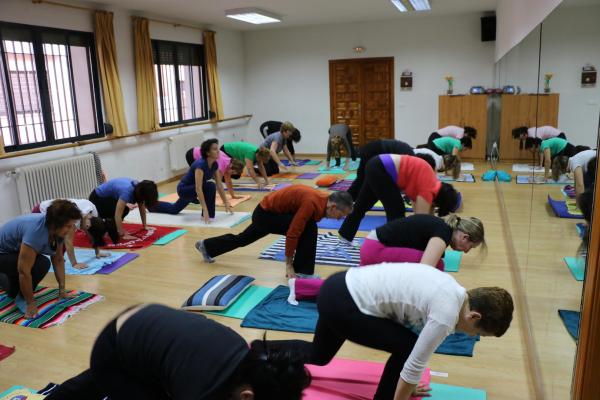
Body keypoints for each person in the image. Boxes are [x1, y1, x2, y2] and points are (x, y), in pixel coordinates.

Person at [269, 264, 514, 400]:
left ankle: (264, 350)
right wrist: (401, 393)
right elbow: (414, 364)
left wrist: (404, 387)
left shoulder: (453, 288)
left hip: (337, 287)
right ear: (474, 316)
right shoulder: (446, 315)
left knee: (320, 356)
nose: (472, 336)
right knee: (407, 346)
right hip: (344, 303)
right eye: (478, 333)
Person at [45, 303, 311, 400]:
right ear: (246, 396)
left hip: (143, 322)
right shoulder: (201, 390)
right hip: (115, 349)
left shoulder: (245, 353)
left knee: (95, 382)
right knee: (108, 380)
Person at [196, 186, 353, 278]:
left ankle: (207, 246)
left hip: (268, 213)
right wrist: (288, 265)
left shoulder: (322, 200)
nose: (340, 219)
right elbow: (293, 233)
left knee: (243, 239)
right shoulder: (312, 203)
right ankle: (302, 272)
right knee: (308, 228)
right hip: (265, 215)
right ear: (333, 207)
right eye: (342, 215)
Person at [339, 154, 459, 242]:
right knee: (396, 211)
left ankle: (344, 235)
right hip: (382, 169)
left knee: (362, 204)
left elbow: (424, 216)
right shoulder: (428, 190)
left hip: (376, 163)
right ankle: (391, 245)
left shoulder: (432, 182)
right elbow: (421, 221)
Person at [0, 200, 81, 319]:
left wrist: (62, 291)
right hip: (3, 254)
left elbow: (58, 259)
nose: (72, 229)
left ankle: (6, 280)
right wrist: (30, 302)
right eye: (68, 226)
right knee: (41, 264)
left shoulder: (57, 231)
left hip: (14, 252)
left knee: (13, 292)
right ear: (55, 224)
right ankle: (21, 294)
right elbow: (24, 271)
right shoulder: (36, 232)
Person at [152, 139, 232, 223]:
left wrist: (226, 202)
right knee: (210, 186)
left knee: (174, 209)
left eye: (218, 148)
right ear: (208, 153)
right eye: (215, 149)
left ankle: (152, 205)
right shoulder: (200, 165)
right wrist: (205, 209)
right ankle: (206, 215)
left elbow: (219, 184)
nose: (218, 151)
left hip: (193, 190)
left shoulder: (215, 164)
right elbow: (198, 188)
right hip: (184, 189)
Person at [360, 214, 485, 267]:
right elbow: (425, 269)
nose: (467, 252)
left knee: (436, 263)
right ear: (465, 237)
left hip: (372, 247)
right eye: (471, 247)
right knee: (437, 266)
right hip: (375, 250)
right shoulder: (443, 233)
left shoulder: (443, 227)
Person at [33, 198, 119, 269]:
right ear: (88, 225)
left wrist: (98, 252)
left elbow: (93, 235)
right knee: (54, 238)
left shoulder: (93, 213)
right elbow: (68, 242)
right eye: (87, 228)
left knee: (60, 240)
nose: (85, 230)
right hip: (40, 211)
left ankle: (60, 257)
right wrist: (74, 264)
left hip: (58, 212)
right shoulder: (74, 218)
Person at [347, 139, 432, 200]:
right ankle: (348, 197)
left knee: (362, 178)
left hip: (372, 148)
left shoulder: (410, 153)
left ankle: (350, 196)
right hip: (374, 151)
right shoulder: (410, 157)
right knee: (363, 179)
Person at [89, 178, 158, 241]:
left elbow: (141, 207)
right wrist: (122, 234)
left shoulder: (140, 189)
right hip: (97, 199)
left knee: (123, 209)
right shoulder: (127, 192)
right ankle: (107, 228)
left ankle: (111, 227)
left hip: (108, 198)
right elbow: (117, 215)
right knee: (124, 210)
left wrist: (145, 226)